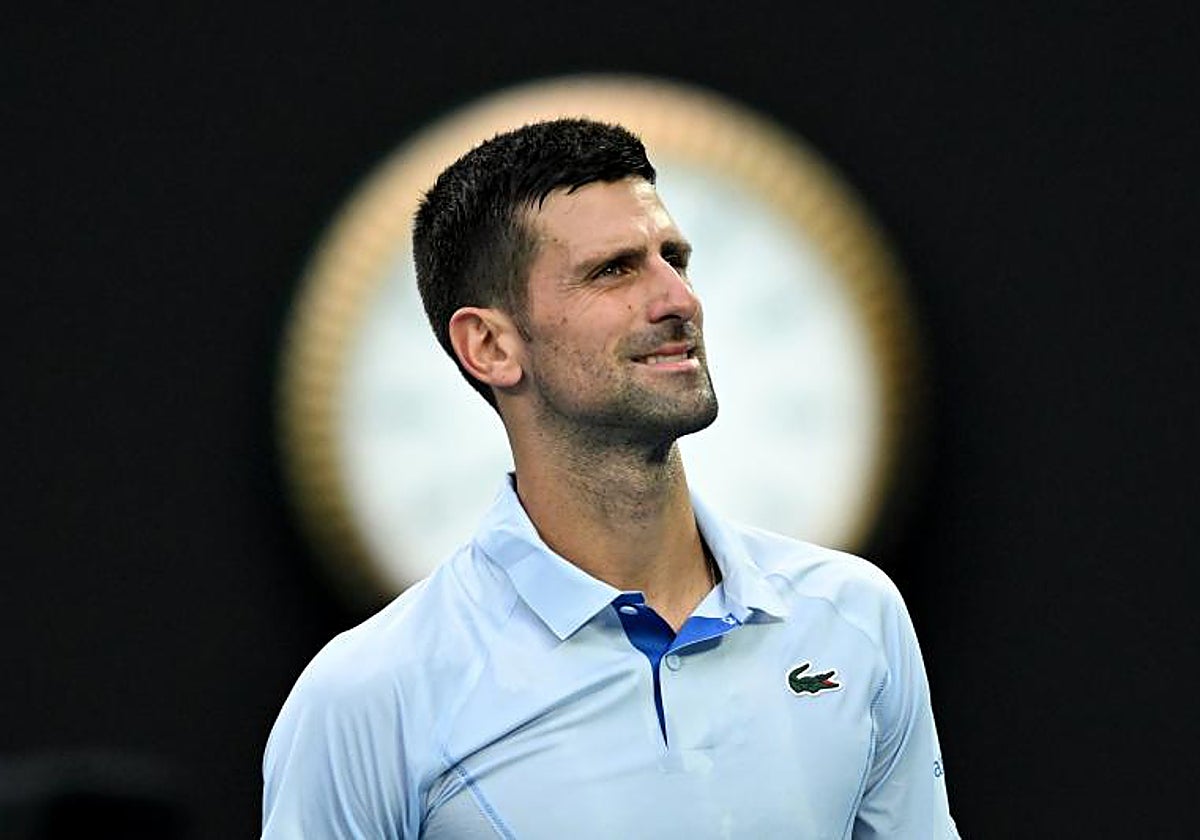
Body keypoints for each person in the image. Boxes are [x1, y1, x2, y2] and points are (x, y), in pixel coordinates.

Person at [262, 118, 959, 838]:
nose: (677, 299)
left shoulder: (855, 617)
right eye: (614, 270)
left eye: (675, 258)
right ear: (491, 345)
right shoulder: (368, 697)